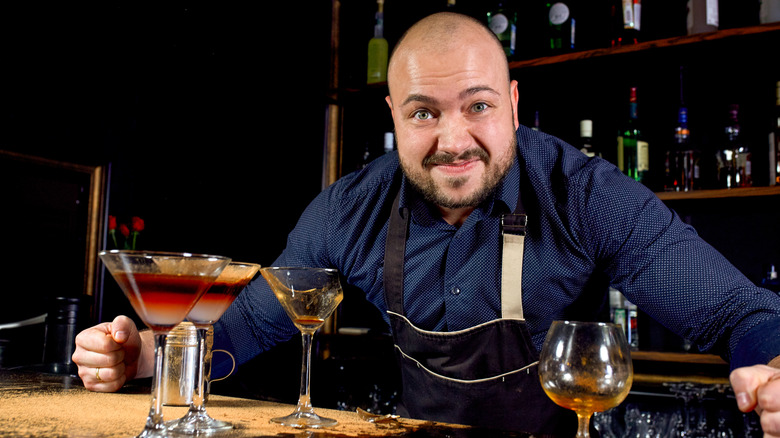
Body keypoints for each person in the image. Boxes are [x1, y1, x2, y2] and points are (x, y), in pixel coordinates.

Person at [73, 12, 780, 435]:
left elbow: (738, 313)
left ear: (511, 101)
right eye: (423, 113)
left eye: (476, 106)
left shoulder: (586, 195)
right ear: (393, 119)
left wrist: (774, 368)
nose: (453, 139)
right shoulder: (347, 209)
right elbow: (250, 328)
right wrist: (144, 359)